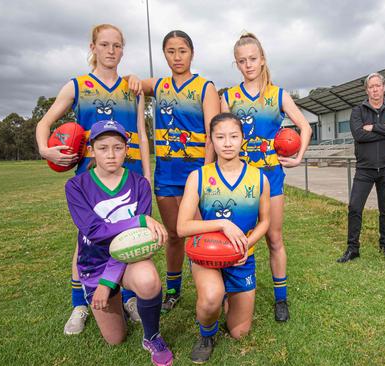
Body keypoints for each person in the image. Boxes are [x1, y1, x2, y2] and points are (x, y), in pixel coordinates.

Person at [35, 24, 150, 334]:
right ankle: (79, 304)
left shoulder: (132, 87)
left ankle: (128, 298)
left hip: (130, 174)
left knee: (129, 240)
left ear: (123, 49)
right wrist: (47, 151)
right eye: (104, 44)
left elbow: (141, 133)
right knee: (85, 241)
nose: (111, 50)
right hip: (91, 175)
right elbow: (45, 122)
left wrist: (147, 176)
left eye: (116, 45)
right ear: (93, 47)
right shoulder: (77, 86)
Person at [65, 120, 172, 366]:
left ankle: (152, 336)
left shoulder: (140, 184)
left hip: (128, 260)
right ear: (91, 150)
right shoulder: (76, 186)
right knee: (115, 338)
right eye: (103, 148)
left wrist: (107, 283)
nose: (111, 155)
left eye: (117, 147)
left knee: (148, 279)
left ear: (127, 149)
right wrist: (139, 220)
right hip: (94, 264)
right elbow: (94, 231)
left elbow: (134, 241)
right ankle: (120, 302)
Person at [221, 33, 311, 322]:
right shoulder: (229, 97)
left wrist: (298, 156)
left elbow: (304, 127)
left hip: (271, 177)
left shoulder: (278, 94)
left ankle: (280, 298)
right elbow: (218, 135)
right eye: (242, 60)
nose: (248, 65)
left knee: (274, 237)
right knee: (233, 238)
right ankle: (228, 293)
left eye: (253, 59)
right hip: (237, 180)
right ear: (236, 64)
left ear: (262, 59)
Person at [127, 30, 220, 313]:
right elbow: (132, 84)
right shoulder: (159, 85)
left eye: (183, 50)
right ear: (164, 54)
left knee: (198, 234)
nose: (177, 57)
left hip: (195, 174)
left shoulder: (205, 87)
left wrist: (203, 175)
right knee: (174, 234)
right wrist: (132, 78)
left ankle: (213, 290)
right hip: (165, 174)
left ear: (192, 53)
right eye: (170, 51)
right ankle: (173, 289)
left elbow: (211, 135)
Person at [177, 113, 270, 363]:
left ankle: (229, 294)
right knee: (210, 299)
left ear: (242, 139)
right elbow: (182, 227)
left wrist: (246, 246)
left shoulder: (259, 178)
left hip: (242, 258)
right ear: (211, 141)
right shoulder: (198, 177)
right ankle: (207, 334)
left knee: (240, 332)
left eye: (233, 136)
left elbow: (265, 222)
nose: (227, 143)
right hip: (206, 257)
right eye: (220, 137)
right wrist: (222, 223)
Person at [337, 72, 385, 263]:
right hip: (365, 169)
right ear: (367, 90)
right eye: (371, 86)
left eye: (378, 85)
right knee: (355, 207)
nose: (375, 89)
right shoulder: (358, 111)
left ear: (384, 87)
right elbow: (359, 135)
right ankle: (353, 248)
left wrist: (374, 127)